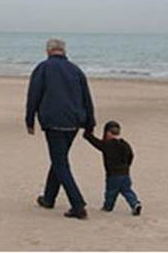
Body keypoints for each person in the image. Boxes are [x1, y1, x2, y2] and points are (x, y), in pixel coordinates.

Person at [25, 38, 95, 220]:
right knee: (59, 159)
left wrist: (29, 119)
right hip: (74, 122)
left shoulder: (43, 68)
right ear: (63, 51)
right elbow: (87, 98)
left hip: (54, 122)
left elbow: (34, 94)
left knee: (60, 162)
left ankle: (78, 205)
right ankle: (48, 198)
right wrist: (90, 123)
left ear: (48, 51)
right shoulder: (75, 70)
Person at [83, 120, 142, 216]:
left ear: (107, 132)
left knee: (110, 192)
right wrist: (127, 166)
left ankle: (108, 207)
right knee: (127, 190)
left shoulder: (107, 145)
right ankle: (135, 203)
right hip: (125, 174)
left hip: (113, 175)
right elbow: (131, 156)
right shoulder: (125, 144)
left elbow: (95, 142)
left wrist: (88, 134)